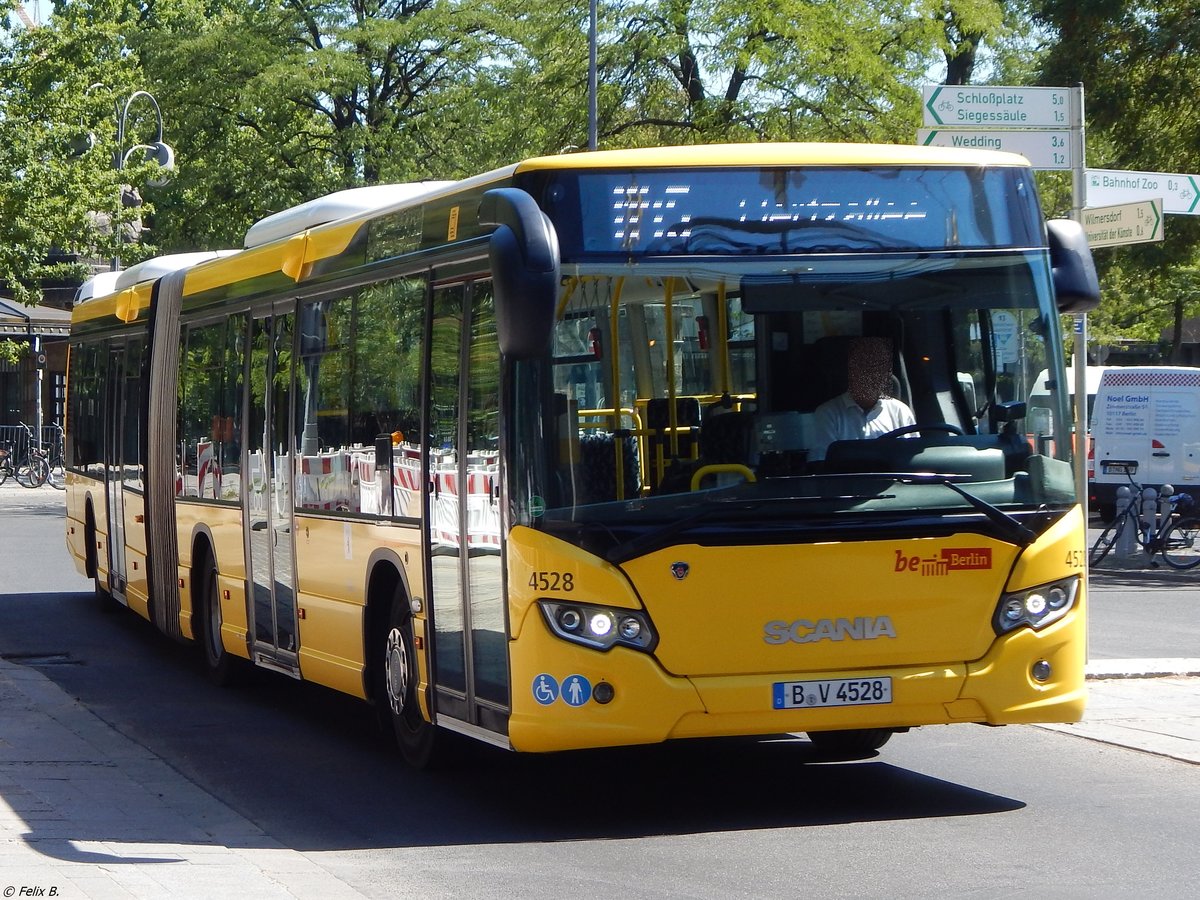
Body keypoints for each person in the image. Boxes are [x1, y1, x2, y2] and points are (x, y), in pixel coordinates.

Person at [809, 336, 915, 462]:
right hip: (847, 480)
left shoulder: (900, 411)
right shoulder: (827, 414)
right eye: (864, 369)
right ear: (851, 374)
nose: (871, 376)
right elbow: (822, 463)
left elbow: (913, 460)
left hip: (893, 480)